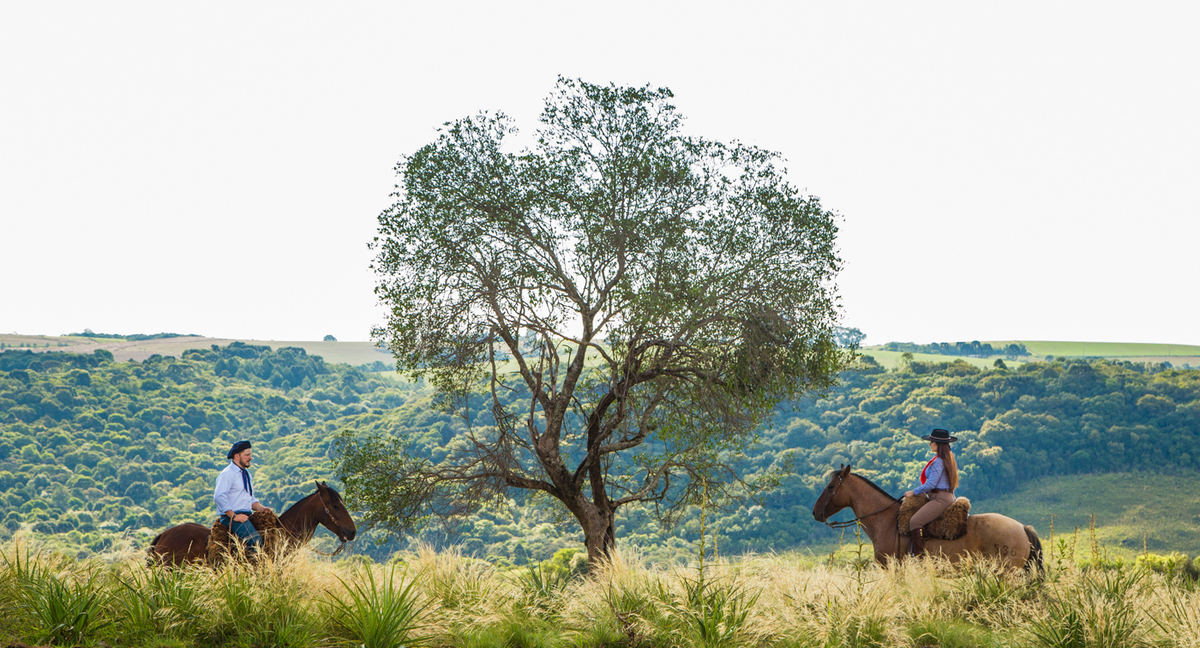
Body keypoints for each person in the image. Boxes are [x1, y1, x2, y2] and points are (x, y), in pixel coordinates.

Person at [903, 428, 959, 557]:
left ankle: (918, 556)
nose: (930, 444)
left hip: (940, 499)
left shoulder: (938, 462)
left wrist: (913, 492)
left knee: (915, 522)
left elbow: (931, 484)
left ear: (939, 444)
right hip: (945, 496)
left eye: (932, 441)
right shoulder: (946, 459)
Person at [214, 440, 272, 550]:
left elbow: (250, 500)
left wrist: (262, 509)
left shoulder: (246, 475)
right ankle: (246, 566)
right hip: (231, 518)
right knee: (255, 541)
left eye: (250, 454)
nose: (250, 457)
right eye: (247, 455)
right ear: (237, 456)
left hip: (246, 515)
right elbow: (219, 496)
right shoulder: (227, 474)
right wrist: (234, 516)